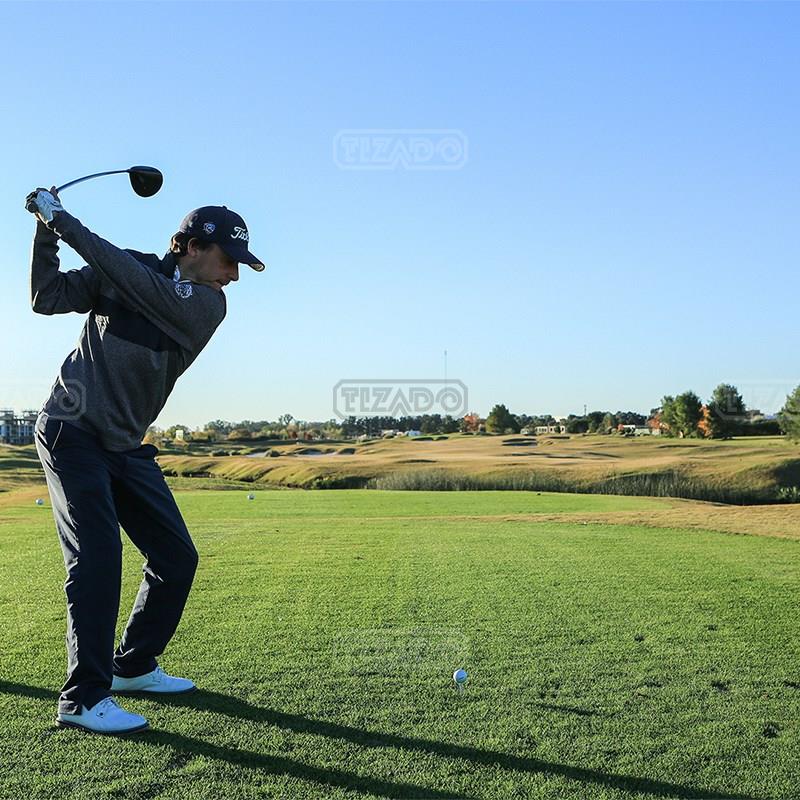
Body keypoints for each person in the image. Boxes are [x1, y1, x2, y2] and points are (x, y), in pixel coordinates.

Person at [25, 187, 265, 735]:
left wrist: (63, 221)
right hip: (71, 430)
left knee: (176, 557)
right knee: (98, 556)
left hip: (125, 445)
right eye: (228, 260)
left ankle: (131, 666)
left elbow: (136, 281)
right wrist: (45, 231)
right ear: (191, 246)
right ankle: (83, 699)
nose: (233, 275)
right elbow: (46, 296)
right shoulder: (124, 270)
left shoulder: (207, 305)